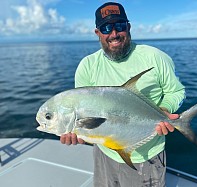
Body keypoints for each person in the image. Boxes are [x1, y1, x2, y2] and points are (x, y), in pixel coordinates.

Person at [60, 2, 185, 187]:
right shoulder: (87, 66)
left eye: (119, 26)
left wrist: (165, 110)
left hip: (146, 156)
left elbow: (176, 91)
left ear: (128, 27)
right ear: (97, 33)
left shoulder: (155, 57)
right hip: (105, 153)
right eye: (106, 28)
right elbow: (85, 115)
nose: (114, 34)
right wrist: (75, 133)